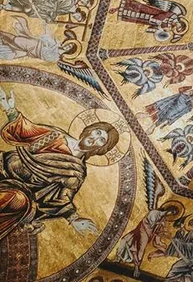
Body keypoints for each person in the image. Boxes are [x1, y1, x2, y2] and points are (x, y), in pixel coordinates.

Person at [0, 87, 119, 240]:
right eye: (97, 132)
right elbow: (29, 131)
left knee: (17, 200)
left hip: (20, 189)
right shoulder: (56, 135)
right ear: (89, 130)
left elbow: (62, 197)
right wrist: (10, 110)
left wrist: (74, 219)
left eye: (101, 140)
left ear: (101, 148)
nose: (95, 138)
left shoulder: (76, 172)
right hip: (4, 164)